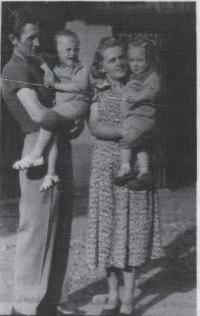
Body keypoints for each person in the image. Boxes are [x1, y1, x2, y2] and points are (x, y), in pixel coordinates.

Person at [2, 9, 83, 316]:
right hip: (34, 147)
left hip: (58, 147)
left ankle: (52, 300)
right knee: (35, 229)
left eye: (38, 36)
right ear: (13, 39)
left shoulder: (37, 65)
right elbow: (37, 114)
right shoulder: (14, 70)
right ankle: (24, 307)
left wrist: (70, 123)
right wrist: (69, 118)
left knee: (60, 226)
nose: (37, 43)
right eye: (29, 38)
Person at [86, 37, 163, 316]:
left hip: (134, 164)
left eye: (122, 57)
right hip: (107, 166)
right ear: (102, 66)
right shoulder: (98, 90)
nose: (119, 63)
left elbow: (152, 120)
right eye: (112, 59)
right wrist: (127, 131)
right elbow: (94, 127)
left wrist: (137, 131)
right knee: (109, 230)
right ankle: (112, 294)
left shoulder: (142, 84)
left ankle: (130, 296)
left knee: (130, 230)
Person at [13, 29, 90, 192]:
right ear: (58, 51)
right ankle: (50, 174)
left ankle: (36, 154)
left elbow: (80, 87)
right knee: (52, 132)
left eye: (75, 50)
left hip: (77, 104)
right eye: (67, 50)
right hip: (63, 109)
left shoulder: (81, 68)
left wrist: (56, 85)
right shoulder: (54, 64)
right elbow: (38, 57)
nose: (72, 54)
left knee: (50, 118)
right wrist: (48, 70)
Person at [114, 34, 161, 190]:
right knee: (139, 144)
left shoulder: (151, 76)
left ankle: (126, 167)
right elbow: (127, 95)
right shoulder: (134, 76)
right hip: (137, 118)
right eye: (132, 60)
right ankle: (144, 171)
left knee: (127, 137)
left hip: (145, 118)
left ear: (149, 60)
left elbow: (153, 92)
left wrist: (136, 97)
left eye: (140, 60)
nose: (135, 64)